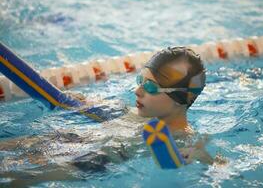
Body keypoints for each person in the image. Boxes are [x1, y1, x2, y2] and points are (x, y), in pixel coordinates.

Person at [0, 47, 224, 187]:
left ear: (180, 99)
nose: (138, 91)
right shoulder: (143, 114)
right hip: (71, 139)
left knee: (13, 177)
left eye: (150, 87)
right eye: (140, 81)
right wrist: (88, 102)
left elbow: (215, 169)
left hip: (88, 163)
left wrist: (215, 164)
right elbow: (116, 112)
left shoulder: (181, 139)